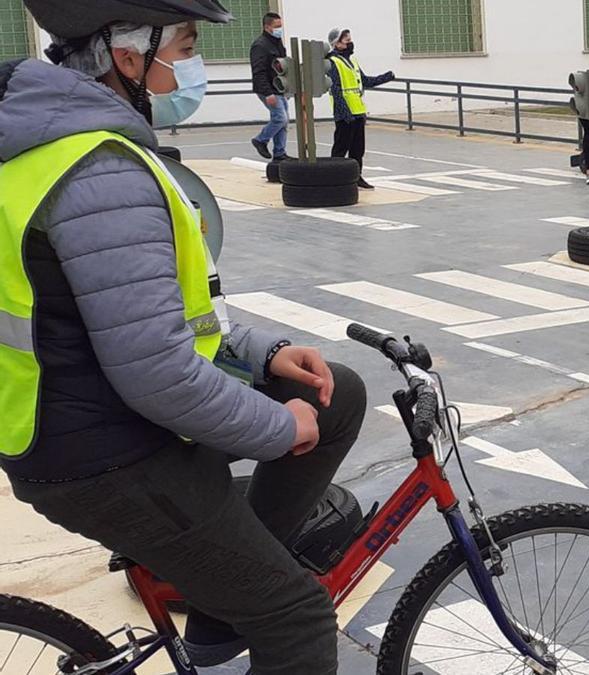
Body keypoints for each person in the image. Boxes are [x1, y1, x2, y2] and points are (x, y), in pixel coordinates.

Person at [2, 2, 368, 673]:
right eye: (187, 45)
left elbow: (165, 311)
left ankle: (220, 607)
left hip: (91, 416)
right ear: (129, 55)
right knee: (298, 616)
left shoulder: (70, 144)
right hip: (106, 455)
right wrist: (277, 427)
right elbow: (158, 374)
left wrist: (265, 355)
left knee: (333, 392)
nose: (191, 67)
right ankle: (244, 598)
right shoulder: (98, 170)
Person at [326, 27, 395, 190]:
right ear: (337, 44)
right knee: (341, 147)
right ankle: (334, 178)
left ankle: (356, 177)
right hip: (344, 113)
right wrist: (345, 113)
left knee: (358, 148)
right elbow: (335, 90)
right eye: (347, 41)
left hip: (358, 111)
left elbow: (364, 81)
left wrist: (386, 77)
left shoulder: (352, 61)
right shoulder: (332, 62)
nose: (350, 43)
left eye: (350, 39)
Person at [249, 11, 289, 161]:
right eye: (276, 26)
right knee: (280, 118)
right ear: (267, 27)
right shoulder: (260, 46)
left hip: (279, 87)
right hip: (268, 89)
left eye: (280, 26)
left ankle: (279, 153)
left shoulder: (277, 43)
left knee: (284, 121)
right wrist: (268, 93)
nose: (280, 29)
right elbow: (258, 71)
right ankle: (260, 140)